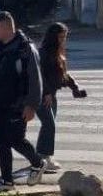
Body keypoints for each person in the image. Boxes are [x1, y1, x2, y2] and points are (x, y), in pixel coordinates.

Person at [0, 11, 46, 187]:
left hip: (16, 105)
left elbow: (35, 80)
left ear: (7, 27)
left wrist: (31, 106)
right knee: (0, 142)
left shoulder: (25, 49)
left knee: (15, 139)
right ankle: (6, 179)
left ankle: (38, 162)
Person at [36, 22, 87, 173]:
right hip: (41, 95)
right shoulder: (43, 53)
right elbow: (39, 76)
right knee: (49, 125)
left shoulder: (57, 52)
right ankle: (44, 160)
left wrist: (75, 87)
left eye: (65, 37)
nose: (63, 40)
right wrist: (46, 93)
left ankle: (41, 157)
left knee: (48, 126)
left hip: (51, 94)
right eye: (61, 37)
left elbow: (63, 74)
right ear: (53, 37)